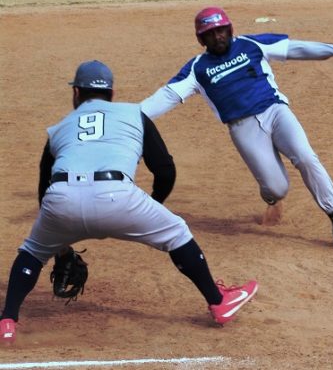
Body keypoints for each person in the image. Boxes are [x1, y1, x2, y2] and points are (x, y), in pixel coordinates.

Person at [0, 60, 257, 344]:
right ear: (112, 94)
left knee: (32, 252)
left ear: (76, 93)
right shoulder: (134, 114)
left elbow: (43, 189)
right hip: (117, 196)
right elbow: (165, 170)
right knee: (177, 232)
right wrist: (151, 206)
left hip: (61, 199)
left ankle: (7, 321)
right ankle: (218, 301)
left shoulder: (59, 129)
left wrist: (60, 247)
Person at [141, 7, 333, 246]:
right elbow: (164, 98)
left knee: (306, 157)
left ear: (230, 29)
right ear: (201, 39)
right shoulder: (197, 69)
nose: (218, 36)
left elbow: (296, 48)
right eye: (210, 33)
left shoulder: (251, 45)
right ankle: (271, 197)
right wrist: (124, 118)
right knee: (277, 188)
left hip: (276, 111)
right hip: (243, 127)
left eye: (221, 30)